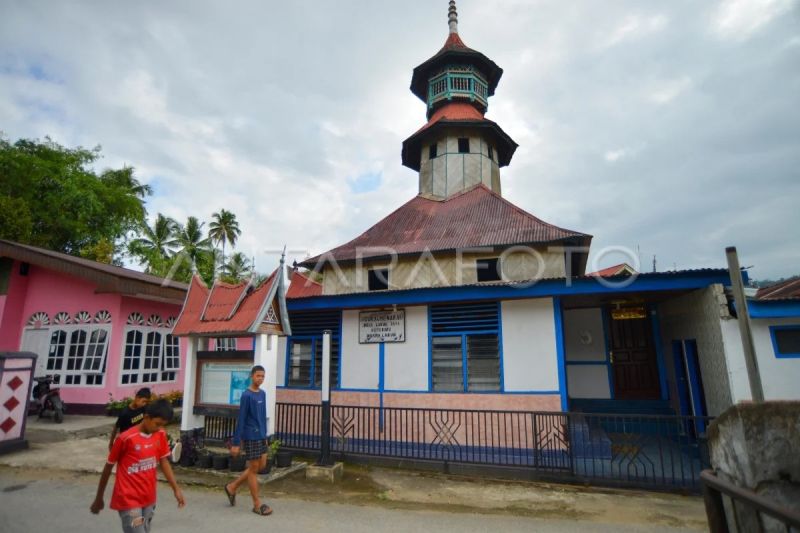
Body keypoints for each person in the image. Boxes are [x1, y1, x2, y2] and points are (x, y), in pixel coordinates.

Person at [91, 398, 185, 532]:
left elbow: (164, 461)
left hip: (149, 498)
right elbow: (108, 467)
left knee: (145, 529)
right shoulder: (125, 438)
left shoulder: (160, 434)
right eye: (157, 424)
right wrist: (99, 497)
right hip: (128, 500)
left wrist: (176, 489)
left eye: (162, 425)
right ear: (146, 417)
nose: (159, 428)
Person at [223, 365, 272, 516]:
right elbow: (242, 419)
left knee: (261, 465)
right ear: (252, 376)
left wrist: (265, 436)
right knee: (253, 469)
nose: (260, 379)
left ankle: (232, 487)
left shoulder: (262, 394)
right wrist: (237, 443)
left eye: (263, 376)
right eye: (258, 376)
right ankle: (257, 504)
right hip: (250, 436)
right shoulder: (246, 395)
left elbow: (263, 417)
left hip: (261, 436)